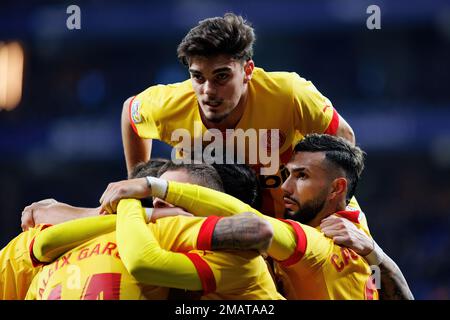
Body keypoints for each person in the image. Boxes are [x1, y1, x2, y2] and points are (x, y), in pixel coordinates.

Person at [121, 12, 355, 219]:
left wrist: (327, 210)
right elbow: (130, 114)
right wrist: (135, 182)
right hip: (211, 227)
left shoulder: (290, 95)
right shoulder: (169, 104)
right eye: (198, 77)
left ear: (247, 71)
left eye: (221, 77)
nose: (208, 91)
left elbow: (343, 139)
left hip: (290, 224)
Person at [101, 134, 380, 299]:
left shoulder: (316, 245)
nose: (284, 188)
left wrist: (150, 190)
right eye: (288, 174)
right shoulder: (351, 217)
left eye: (302, 177)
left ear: (336, 189)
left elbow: (253, 222)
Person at [23, 162, 282, 300]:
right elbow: (42, 238)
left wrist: (135, 198)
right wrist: (144, 211)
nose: (160, 206)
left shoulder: (238, 259)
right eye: (154, 199)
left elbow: (256, 230)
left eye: (169, 196)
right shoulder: (149, 230)